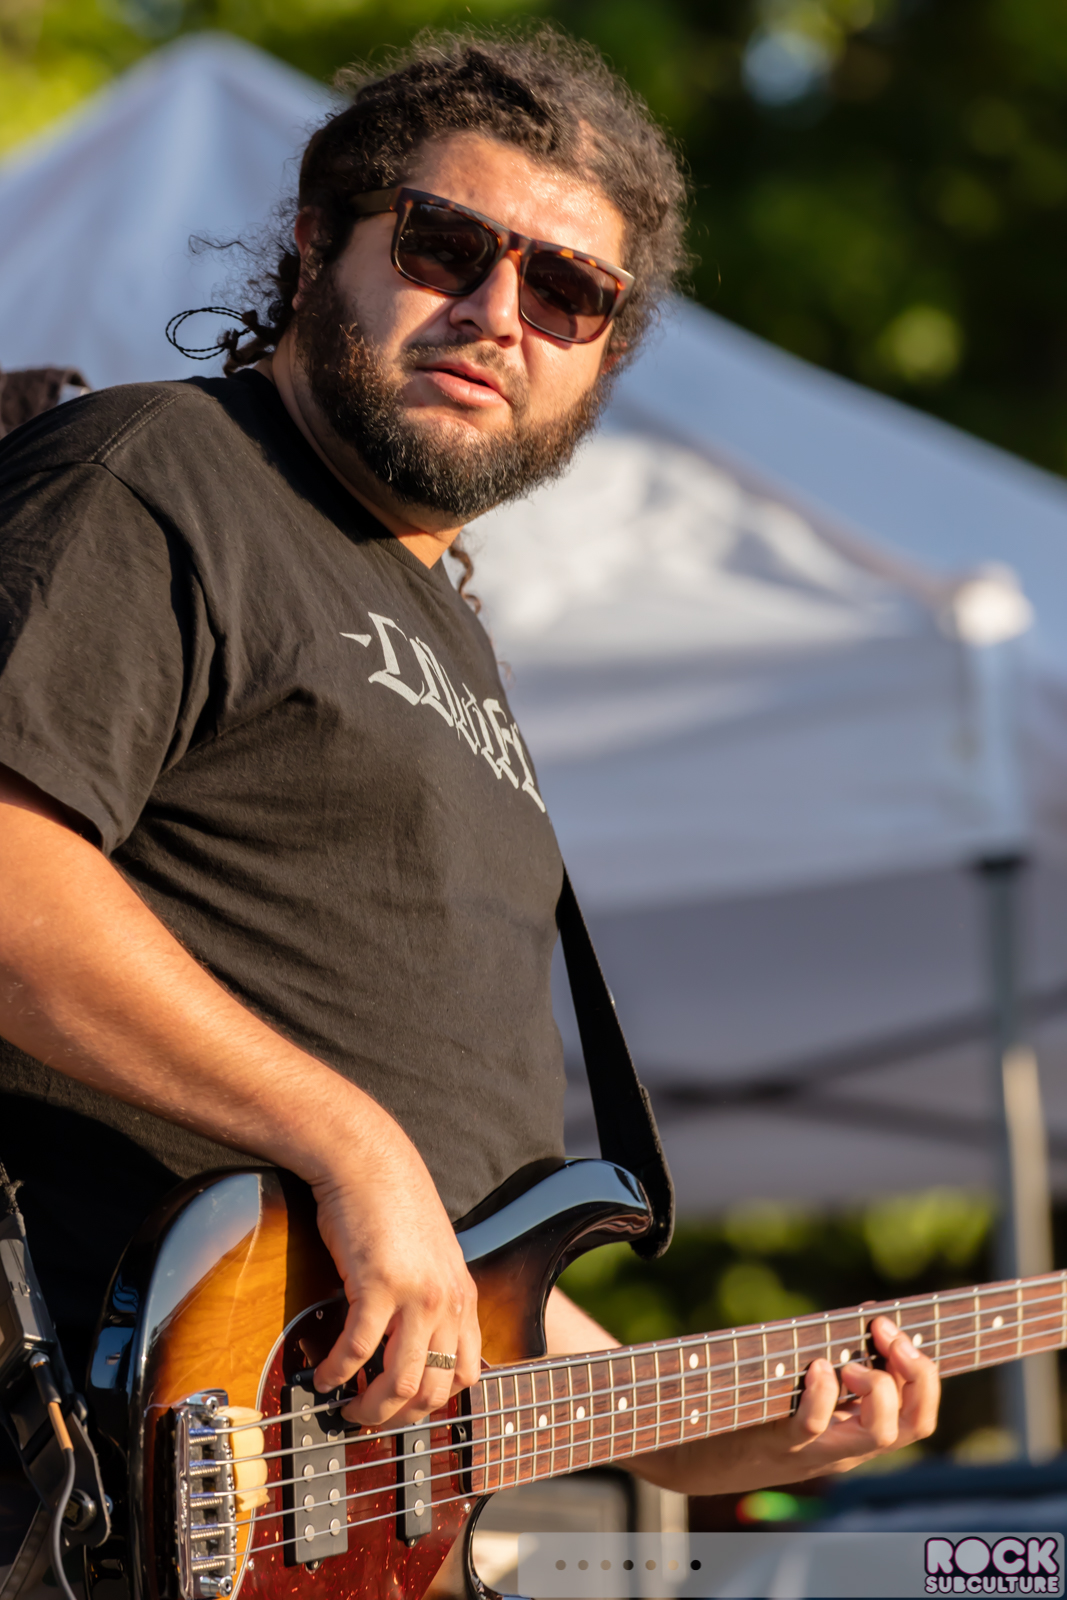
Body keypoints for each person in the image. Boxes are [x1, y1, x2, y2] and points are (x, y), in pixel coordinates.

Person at [0, 25, 938, 1560]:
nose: (501, 313)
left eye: (569, 291)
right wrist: (349, 1142)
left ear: (603, 356)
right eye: (445, 246)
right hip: (78, 1488)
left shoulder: (456, 648)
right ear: (317, 246)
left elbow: (460, 1265)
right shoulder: (161, 472)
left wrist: (712, 1432)